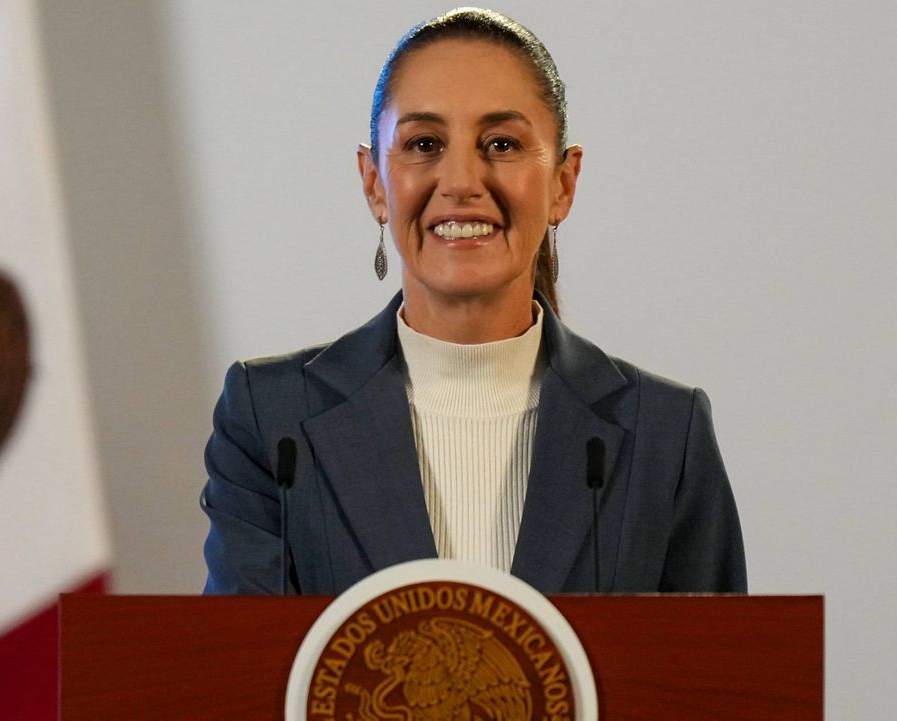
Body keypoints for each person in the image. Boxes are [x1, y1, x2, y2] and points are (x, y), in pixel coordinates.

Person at [200, 8, 745, 595]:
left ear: (563, 183)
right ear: (374, 182)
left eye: (502, 143)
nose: (461, 181)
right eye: (425, 143)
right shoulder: (272, 421)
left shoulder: (665, 435)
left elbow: (713, 681)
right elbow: (244, 680)